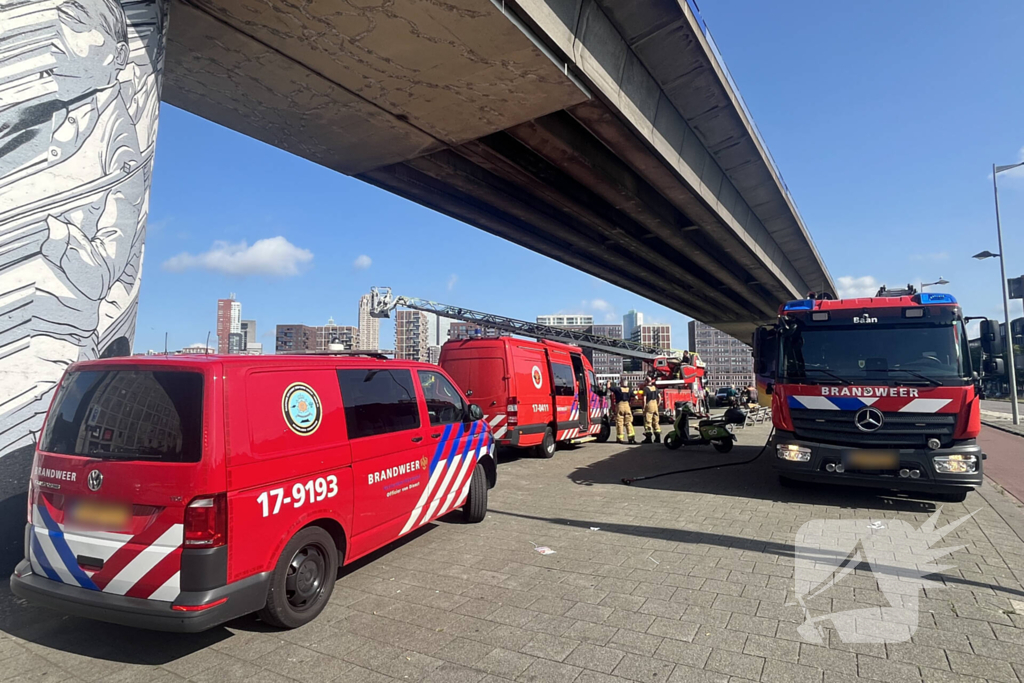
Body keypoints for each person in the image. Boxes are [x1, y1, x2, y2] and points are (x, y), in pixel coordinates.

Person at [610, 380, 636, 445]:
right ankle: (631, 438)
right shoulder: (630, 390)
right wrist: (631, 403)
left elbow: (609, 387)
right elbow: (635, 397)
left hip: (620, 406)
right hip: (627, 406)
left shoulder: (618, 389)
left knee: (619, 423)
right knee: (628, 422)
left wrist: (608, 381)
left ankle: (620, 438)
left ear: (621, 383)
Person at [642, 378, 661, 443]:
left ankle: (648, 438)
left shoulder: (646, 389)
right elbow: (659, 397)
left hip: (649, 405)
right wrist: (658, 404)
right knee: (656, 422)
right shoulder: (655, 388)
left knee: (648, 422)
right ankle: (658, 438)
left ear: (646, 381)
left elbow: (644, 399)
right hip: (655, 405)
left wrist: (644, 407)